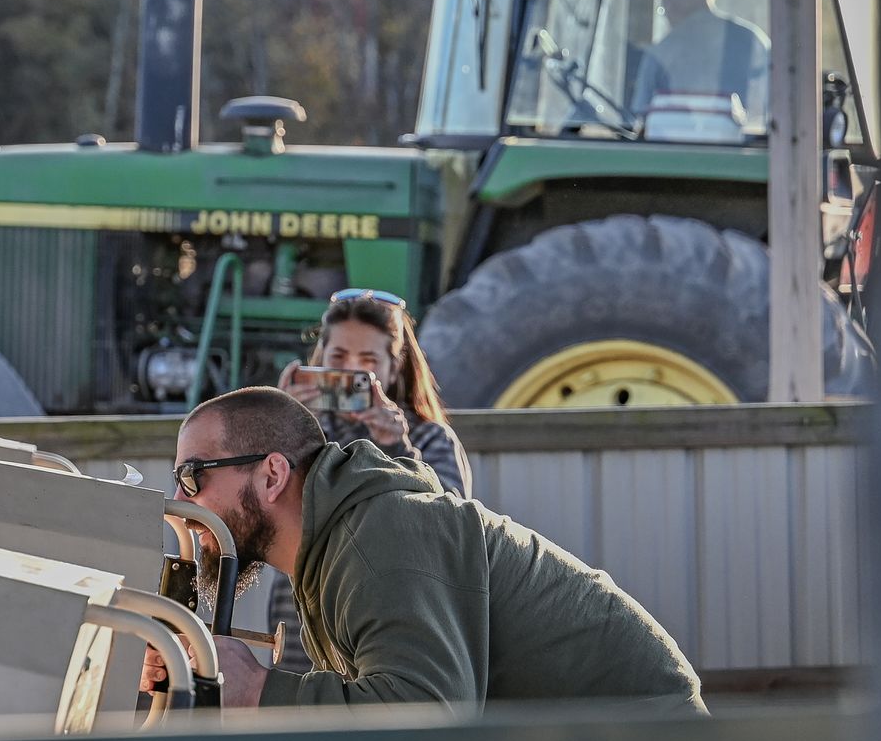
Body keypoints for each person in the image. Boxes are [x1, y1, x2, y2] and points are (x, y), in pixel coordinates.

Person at [145, 387, 707, 715]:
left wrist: (261, 689)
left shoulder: (375, 538)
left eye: (193, 477)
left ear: (271, 475)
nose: (179, 500)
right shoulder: (338, 543)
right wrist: (218, 675)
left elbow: (431, 716)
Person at [278, 287, 471, 499]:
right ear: (322, 357)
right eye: (338, 356)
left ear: (393, 369)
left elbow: (450, 521)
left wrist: (396, 449)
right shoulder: (306, 430)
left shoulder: (429, 437)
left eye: (368, 360)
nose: (350, 369)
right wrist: (284, 428)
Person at [629, 0, 770, 125]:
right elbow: (771, 107)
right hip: (745, 147)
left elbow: (642, 116)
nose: (667, 15)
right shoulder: (752, 40)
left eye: (664, 9)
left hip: (672, 147)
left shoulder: (661, 53)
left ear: (671, 3)